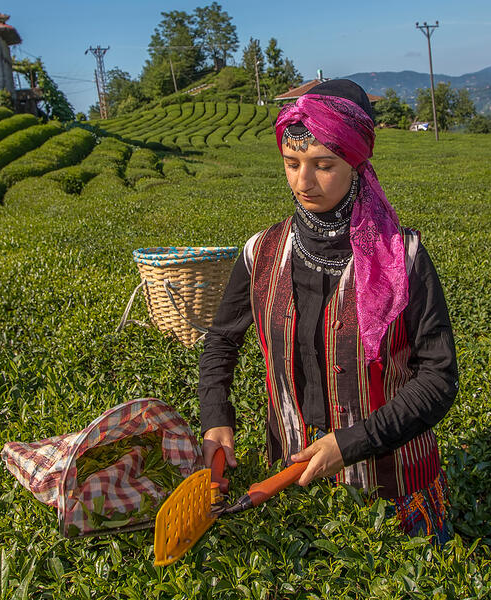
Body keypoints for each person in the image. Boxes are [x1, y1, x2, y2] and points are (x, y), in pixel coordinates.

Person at [196, 79, 458, 543]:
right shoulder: (262, 253)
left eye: (323, 165)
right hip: (291, 473)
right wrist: (216, 414)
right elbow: (221, 339)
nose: (303, 181)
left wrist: (352, 443)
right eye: (291, 164)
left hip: (392, 480)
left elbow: (437, 377)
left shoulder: (404, 256)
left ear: (356, 163)